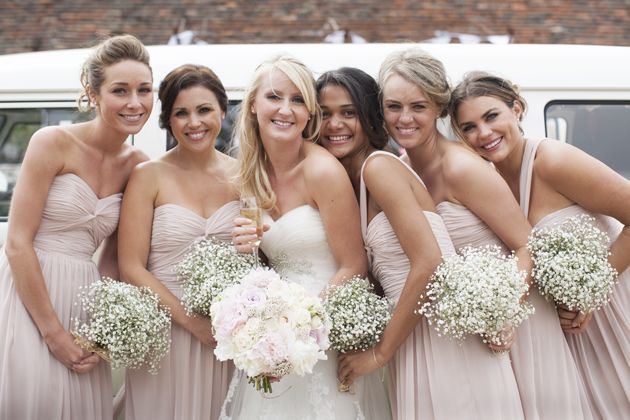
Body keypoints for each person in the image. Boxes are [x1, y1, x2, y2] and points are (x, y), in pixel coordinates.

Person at [377, 48, 594, 419]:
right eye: (394, 106)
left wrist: (503, 314)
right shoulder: (398, 170)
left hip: (519, 325)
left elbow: (527, 245)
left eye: (419, 106)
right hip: (467, 336)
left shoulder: (463, 168)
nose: (405, 118)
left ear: (439, 108)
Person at [316, 67, 524, 419]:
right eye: (325, 115)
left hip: (442, 343)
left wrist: (379, 354)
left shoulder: (379, 168)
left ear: (369, 116)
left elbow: (429, 262)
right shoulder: (367, 177)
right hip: (414, 338)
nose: (335, 124)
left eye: (348, 113)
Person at [449, 71, 630, 419]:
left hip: (613, 309)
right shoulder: (487, 180)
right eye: (469, 127)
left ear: (516, 109)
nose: (483, 133)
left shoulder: (553, 161)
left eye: (491, 116)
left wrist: (593, 291)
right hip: (566, 335)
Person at [226, 55, 389, 419]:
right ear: (253, 105)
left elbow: (354, 265)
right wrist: (248, 250)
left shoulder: (322, 170)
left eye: (298, 99)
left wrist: (300, 323)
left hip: (319, 334)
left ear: (308, 113)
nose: (286, 109)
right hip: (271, 336)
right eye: (274, 97)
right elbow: (267, 261)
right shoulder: (251, 175)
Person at [0, 34, 152, 419]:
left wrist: (101, 333)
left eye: (144, 90)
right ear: (93, 94)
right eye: (120, 90)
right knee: (36, 401)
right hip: (31, 293)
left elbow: (114, 260)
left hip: (86, 299)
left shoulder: (138, 165)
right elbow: (18, 242)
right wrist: (53, 334)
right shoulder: (51, 142)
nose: (135, 102)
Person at [118, 64, 238, 420]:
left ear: (222, 110)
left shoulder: (244, 175)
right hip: (165, 333)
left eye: (204, 110)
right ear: (168, 120)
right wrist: (192, 322)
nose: (194, 123)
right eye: (181, 113)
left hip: (226, 336)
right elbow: (131, 265)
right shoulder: (148, 176)